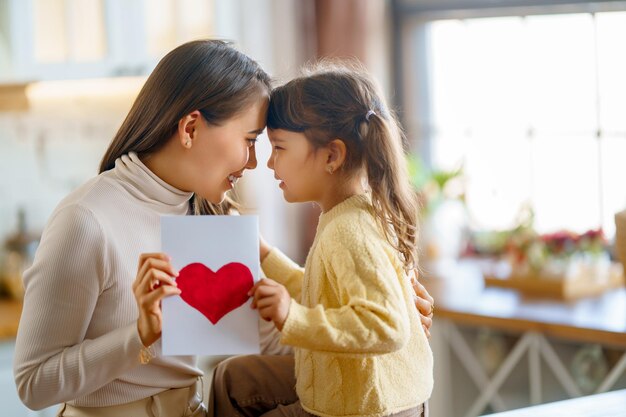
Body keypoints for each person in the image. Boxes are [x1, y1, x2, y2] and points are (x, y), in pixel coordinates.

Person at [14, 39, 434, 417]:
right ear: (191, 128)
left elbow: (277, 341)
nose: (255, 163)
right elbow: (33, 385)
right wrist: (140, 336)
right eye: (250, 141)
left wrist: (388, 319)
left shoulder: (211, 215)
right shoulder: (86, 222)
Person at [210, 63, 434, 417]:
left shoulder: (349, 230)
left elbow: (388, 327)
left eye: (280, 148)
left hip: (369, 407)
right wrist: (265, 253)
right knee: (234, 377)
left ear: (332, 156)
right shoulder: (349, 215)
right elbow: (325, 295)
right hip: (371, 397)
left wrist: (292, 317)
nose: (269, 163)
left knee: (234, 382)